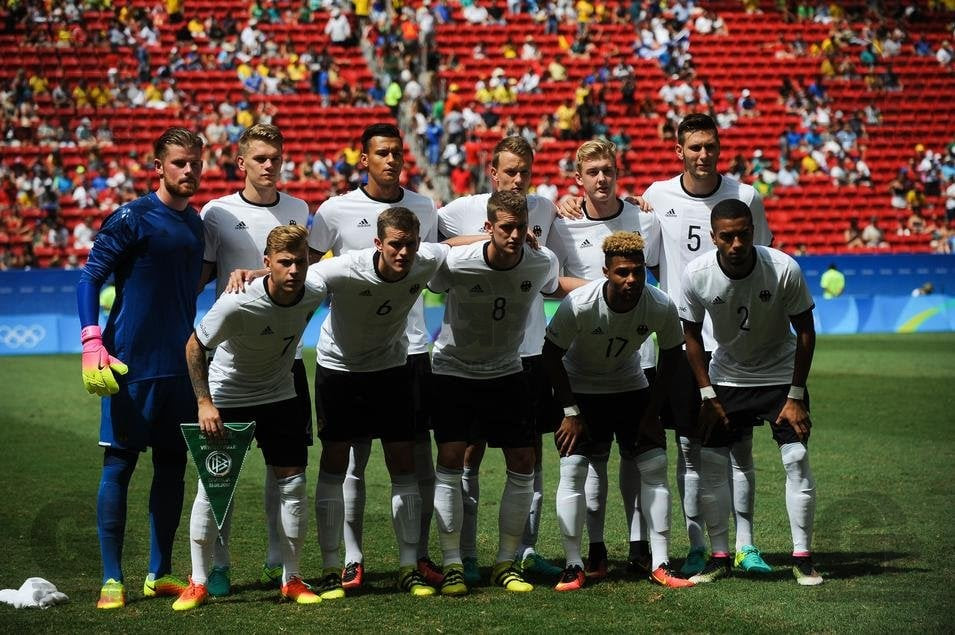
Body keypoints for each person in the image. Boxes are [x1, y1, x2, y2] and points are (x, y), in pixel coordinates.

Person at [307, 123, 442, 591]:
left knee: (412, 459)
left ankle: (416, 558)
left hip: (408, 351)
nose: (391, 161)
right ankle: (348, 559)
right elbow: (303, 269)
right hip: (346, 357)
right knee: (348, 462)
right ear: (363, 159)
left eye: (397, 153)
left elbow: (443, 254)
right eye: (381, 153)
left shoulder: (424, 206)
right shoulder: (335, 210)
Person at [641, 113, 774, 577]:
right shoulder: (657, 197)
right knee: (689, 449)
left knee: (740, 448)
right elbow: (646, 256)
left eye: (710, 146)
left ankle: (745, 545)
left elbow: (762, 260)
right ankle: (698, 545)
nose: (703, 155)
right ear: (678, 150)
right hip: (682, 342)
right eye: (694, 147)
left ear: (721, 148)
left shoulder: (746, 197)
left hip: (734, 347)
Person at [76, 128, 204, 609]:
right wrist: (92, 341)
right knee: (120, 465)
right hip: (130, 364)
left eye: (194, 162)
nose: (188, 170)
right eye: (178, 163)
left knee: (172, 467)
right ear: (159, 166)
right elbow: (89, 279)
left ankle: (159, 572)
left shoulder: (196, 225)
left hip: (179, 365)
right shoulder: (132, 216)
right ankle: (112, 578)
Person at [176, 225, 326, 610]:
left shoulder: (315, 290)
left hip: (280, 395)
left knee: (293, 486)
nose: (294, 271)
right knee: (212, 489)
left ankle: (291, 578)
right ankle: (198, 581)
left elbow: (330, 267)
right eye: (284, 263)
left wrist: (261, 272)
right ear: (268, 263)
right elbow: (195, 346)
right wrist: (204, 403)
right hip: (228, 396)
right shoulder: (236, 302)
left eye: (300, 262)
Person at [437, 135, 562, 583]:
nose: (518, 179)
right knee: (466, 453)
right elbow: (430, 251)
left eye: (525, 172)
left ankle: (524, 553)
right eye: (510, 171)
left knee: (530, 456)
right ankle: (464, 555)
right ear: (493, 173)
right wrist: (489, 236)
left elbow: (552, 271)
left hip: (526, 354)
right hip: (466, 359)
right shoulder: (455, 211)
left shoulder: (545, 209)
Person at [679, 199, 822, 587]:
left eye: (744, 234)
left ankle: (802, 557)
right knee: (712, 464)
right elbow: (689, 337)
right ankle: (721, 556)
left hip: (779, 376)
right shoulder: (696, 274)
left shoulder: (783, 268)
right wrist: (708, 395)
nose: (737, 243)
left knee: (796, 460)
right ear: (714, 238)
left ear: (753, 232)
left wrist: (795, 396)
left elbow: (806, 332)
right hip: (727, 377)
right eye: (727, 236)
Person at [196, 123, 312, 595]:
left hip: (285, 360)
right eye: (260, 158)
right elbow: (203, 276)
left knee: (283, 468)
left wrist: (264, 270)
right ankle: (217, 566)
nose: (270, 165)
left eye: (276, 158)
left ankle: (276, 562)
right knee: (221, 475)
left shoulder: (300, 209)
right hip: (232, 362)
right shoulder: (217, 212)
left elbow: (306, 270)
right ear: (241, 163)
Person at [543, 231, 694, 592]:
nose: (631, 280)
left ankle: (659, 562)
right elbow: (550, 355)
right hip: (581, 391)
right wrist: (569, 410)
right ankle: (574, 564)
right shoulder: (579, 303)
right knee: (574, 468)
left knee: (654, 465)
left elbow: (673, 354)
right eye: (623, 272)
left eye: (638, 272)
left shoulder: (659, 304)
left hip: (630, 387)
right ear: (605, 271)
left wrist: (652, 413)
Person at [546, 139, 659, 579]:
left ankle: (639, 543)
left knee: (636, 458)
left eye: (607, 171)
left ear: (617, 172)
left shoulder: (643, 219)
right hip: (583, 359)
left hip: (638, 356)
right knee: (591, 459)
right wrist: (598, 290)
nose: (601, 179)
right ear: (579, 178)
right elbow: (549, 283)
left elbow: (661, 276)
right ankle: (595, 547)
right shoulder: (563, 224)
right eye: (592, 172)